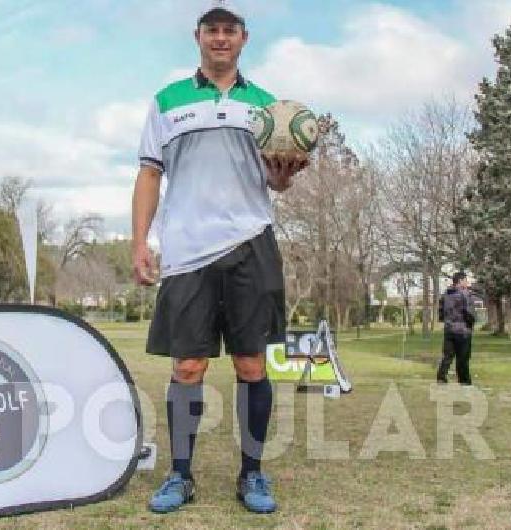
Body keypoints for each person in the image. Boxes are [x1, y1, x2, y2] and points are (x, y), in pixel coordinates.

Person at [131, 0, 306, 515]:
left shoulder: (271, 107)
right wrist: (141, 241)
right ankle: (179, 476)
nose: (221, 39)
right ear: (198, 37)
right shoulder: (168, 100)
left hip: (251, 242)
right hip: (187, 250)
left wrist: (284, 173)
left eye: (230, 31)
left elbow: (277, 182)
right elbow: (148, 174)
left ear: (244, 39)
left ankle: (253, 474)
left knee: (252, 364)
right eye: (213, 31)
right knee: (188, 367)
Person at [436, 271, 476, 385]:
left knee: (447, 355)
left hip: (449, 329)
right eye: (465, 280)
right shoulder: (465, 295)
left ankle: (441, 377)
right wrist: (470, 324)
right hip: (462, 330)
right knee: (463, 357)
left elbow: (441, 312)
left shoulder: (446, 295)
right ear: (460, 281)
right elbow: (470, 313)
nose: (467, 282)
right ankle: (464, 380)